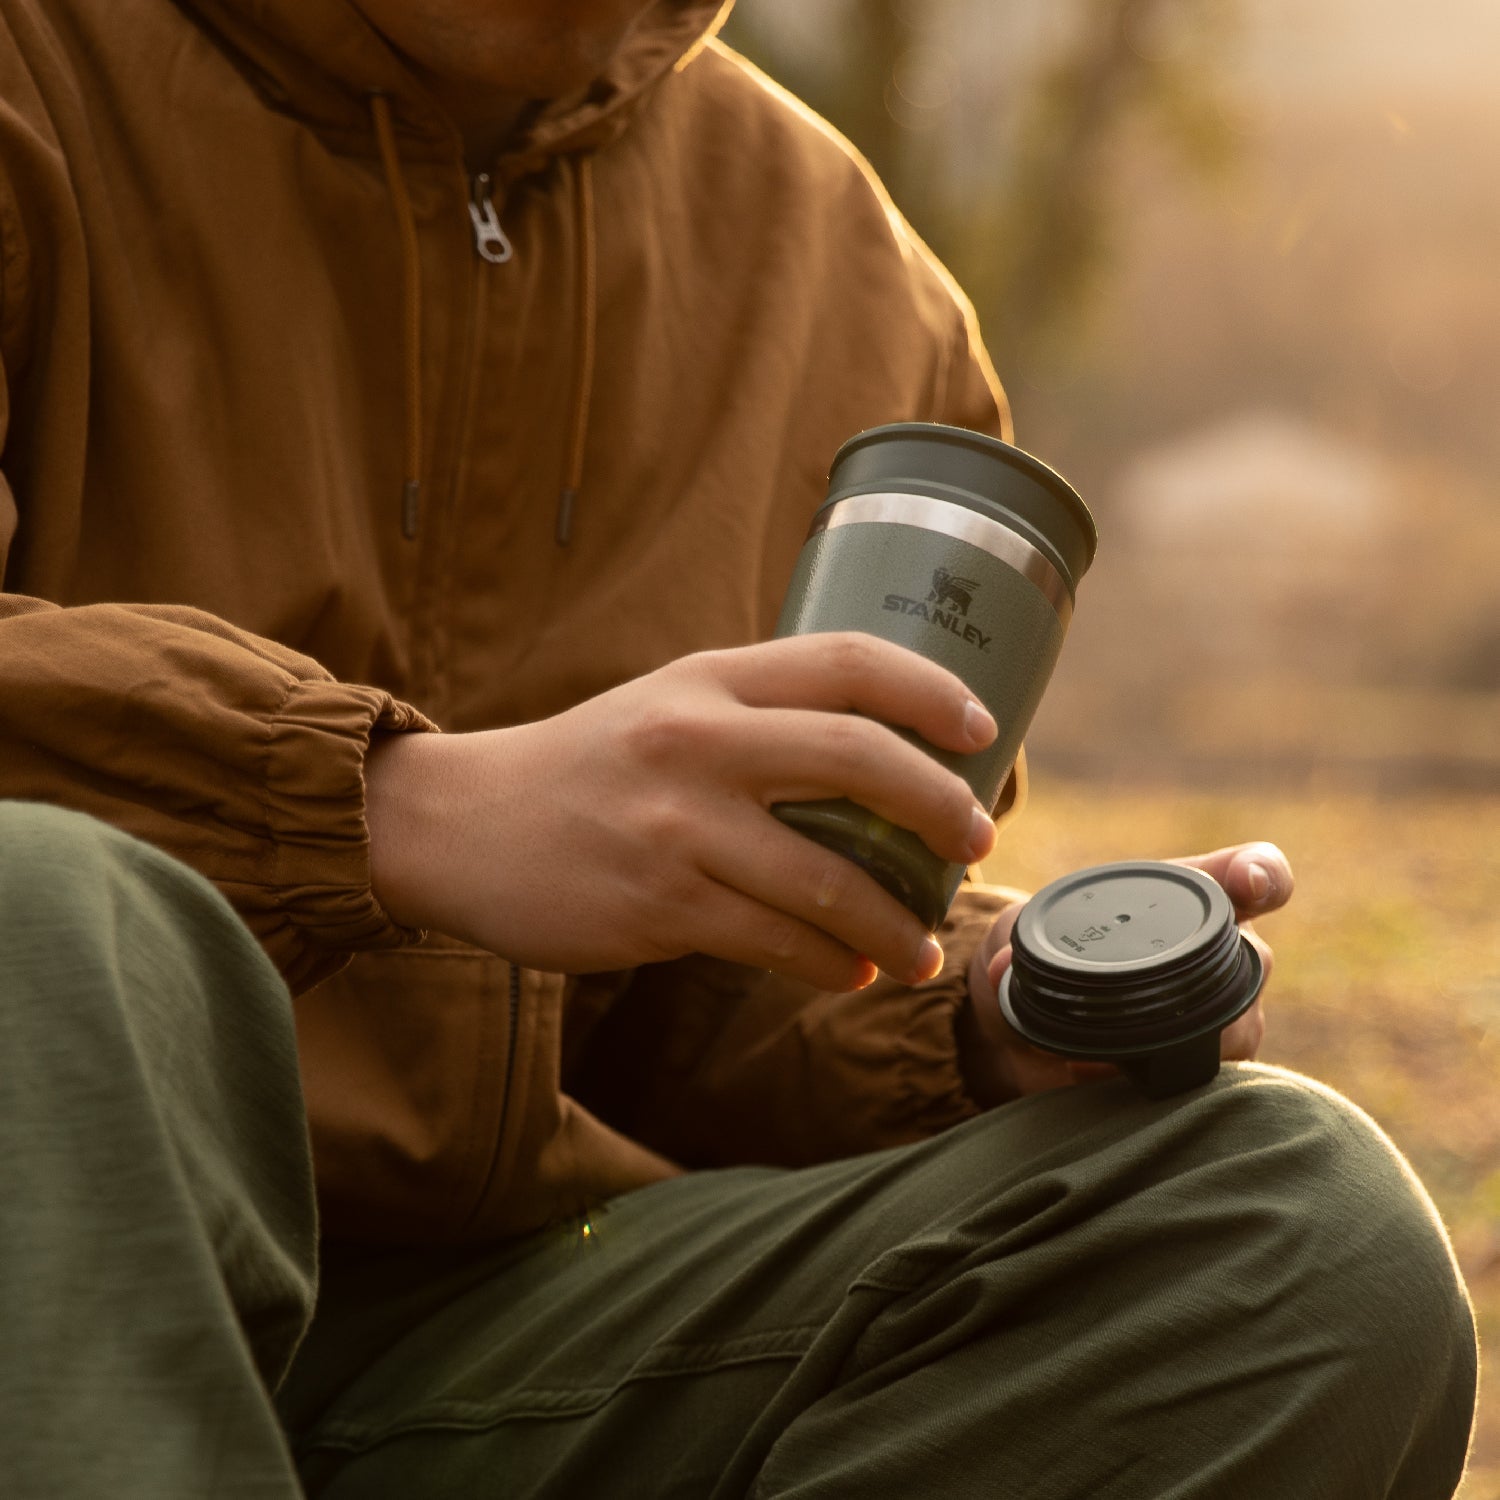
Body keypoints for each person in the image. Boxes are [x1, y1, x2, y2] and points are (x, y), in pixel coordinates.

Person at [0, 0, 1476, 1494]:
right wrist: (392, 811)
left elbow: (690, 1027)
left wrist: (957, 1023)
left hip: (493, 1333)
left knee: (1295, 1241)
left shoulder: (840, 279)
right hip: (56, 1259)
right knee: (38, 913)